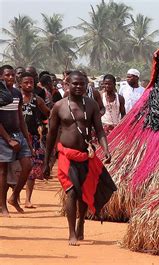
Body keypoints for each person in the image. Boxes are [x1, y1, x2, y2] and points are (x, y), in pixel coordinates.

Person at [43, 70, 115, 245]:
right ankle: (71, 233)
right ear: (67, 84)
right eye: (75, 83)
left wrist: (106, 149)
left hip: (85, 155)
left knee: (83, 191)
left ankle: (81, 221)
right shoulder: (59, 106)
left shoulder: (91, 105)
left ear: (86, 85)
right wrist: (47, 162)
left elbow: (99, 130)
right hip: (66, 155)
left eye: (82, 84)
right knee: (72, 191)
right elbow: (51, 135)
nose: (78, 87)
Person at [0, 65, 33, 217]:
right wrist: (8, 139)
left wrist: (27, 138)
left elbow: (20, 116)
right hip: (3, 136)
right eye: (7, 75)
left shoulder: (16, 93)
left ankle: (14, 197)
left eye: (12, 75)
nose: (11, 78)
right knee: (3, 171)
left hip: (17, 133)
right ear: (1, 76)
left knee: (27, 165)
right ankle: (3, 206)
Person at [20, 72, 50, 208]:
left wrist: (43, 125)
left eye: (31, 82)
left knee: (32, 170)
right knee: (11, 168)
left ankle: (27, 199)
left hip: (33, 138)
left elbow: (48, 113)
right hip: (16, 137)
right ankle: (12, 196)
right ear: (20, 83)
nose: (29, 85)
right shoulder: (15, 98)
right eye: (26, 82)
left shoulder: (37, 100)